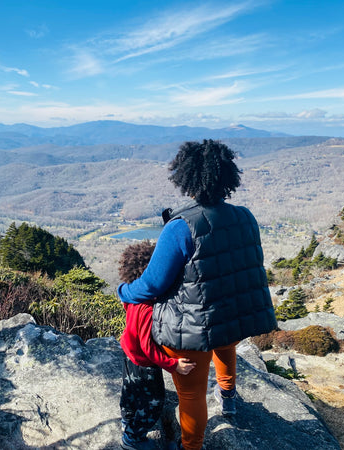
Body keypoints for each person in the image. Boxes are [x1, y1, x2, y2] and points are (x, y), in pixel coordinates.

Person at [117, 140, 277, 450]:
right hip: (233, 314)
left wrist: (125, 292)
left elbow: (152, 284)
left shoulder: (181, 227)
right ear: (227, 177)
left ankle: (192, 445)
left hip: (192, 325)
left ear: (187, 178)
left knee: (191, 393)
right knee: (225, 344)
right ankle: (228, 398)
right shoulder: (245, 216)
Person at [118, 241, 196, 450]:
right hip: (144, 363)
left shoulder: (133, 296)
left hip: (129, 355)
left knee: (130, 392)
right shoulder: (148, 308)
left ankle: (127, 420)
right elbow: (147, 347)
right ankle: (133, 438)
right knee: (153, 402)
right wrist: (173, 365)